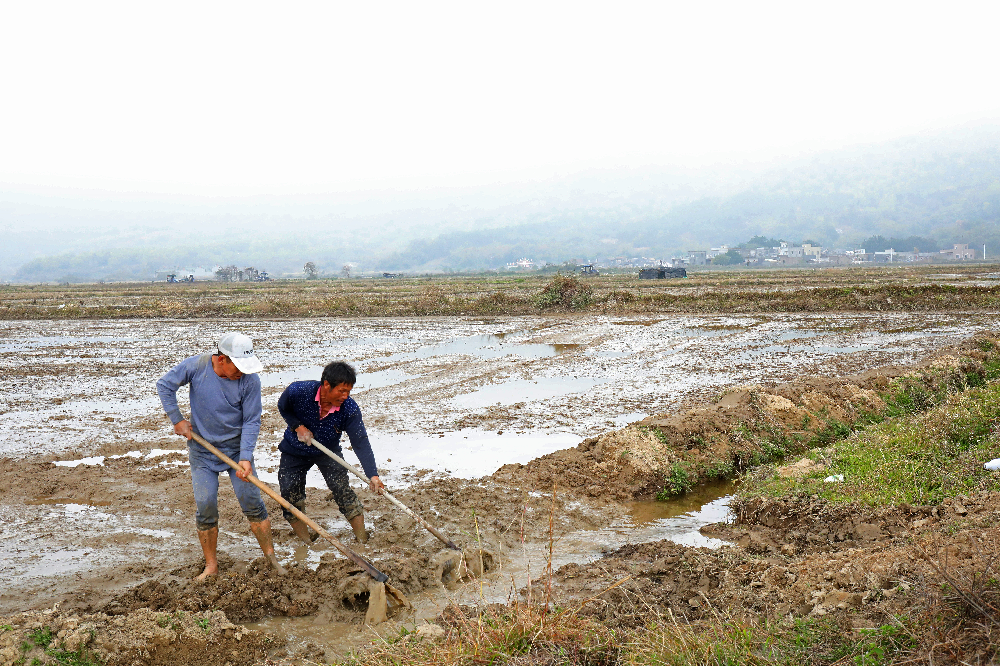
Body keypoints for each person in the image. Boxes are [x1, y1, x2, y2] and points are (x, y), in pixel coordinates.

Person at [156, 332, 286, 580]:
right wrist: (177, 419)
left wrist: (246, 457)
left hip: (237, 452)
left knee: (252, 502)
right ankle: (211, 566)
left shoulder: (250, 381)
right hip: (203, 451)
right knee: (205, 505)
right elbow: (165, 385)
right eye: (237, 366)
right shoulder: (197, 366)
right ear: (222, 359)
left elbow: (251, 420)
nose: (241, 372)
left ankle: (271, 559)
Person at [276, 361, 384, 545]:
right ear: (326, 385)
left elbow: (360, 442)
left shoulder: (349, 409)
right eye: (341, 391)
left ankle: (362, 539)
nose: (345, 396)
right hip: (294, 449)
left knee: (342, 490)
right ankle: (306, 542)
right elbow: (283, 407)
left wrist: (372, 474)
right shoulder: (298, 391)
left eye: (348, 391)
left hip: (328, 450)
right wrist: (297, 426)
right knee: (289, 494)